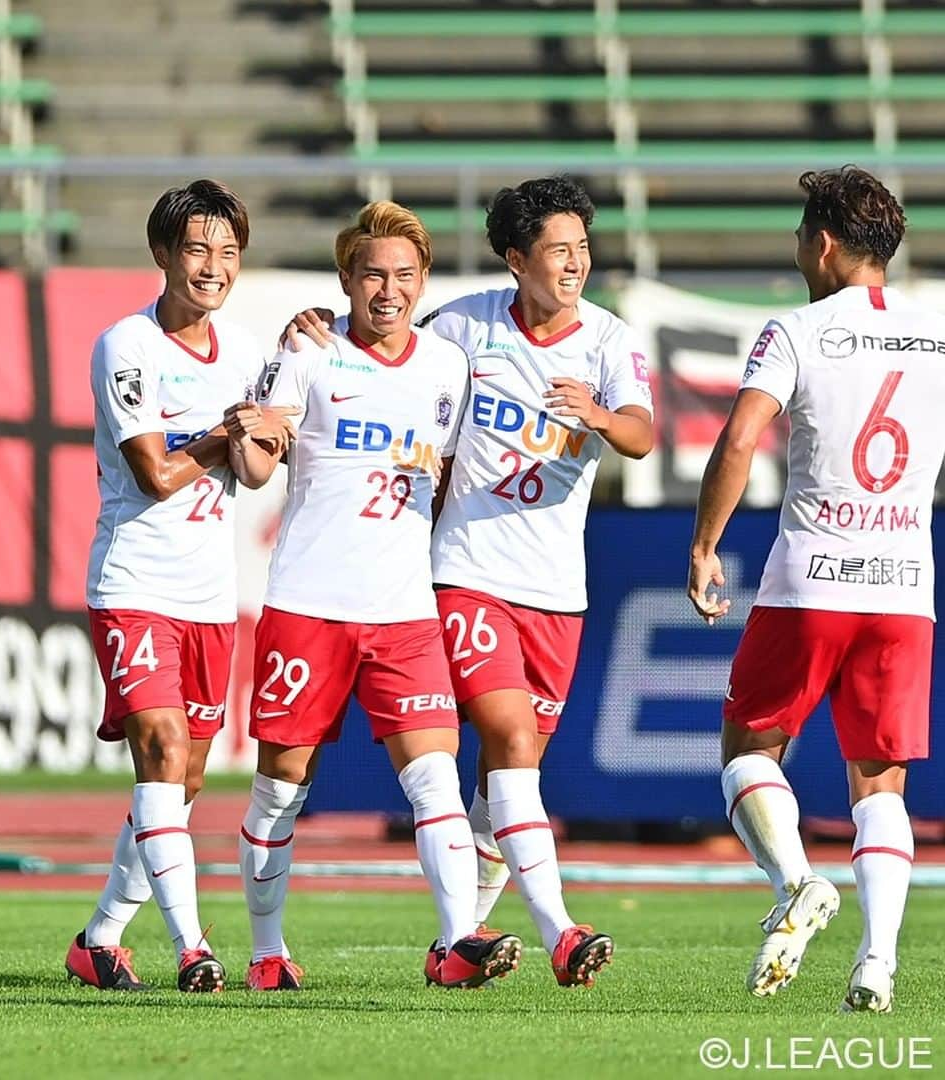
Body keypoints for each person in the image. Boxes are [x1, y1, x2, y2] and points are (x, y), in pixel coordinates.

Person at [285, 176, 654, 987]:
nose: (576, 264)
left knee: (502, 785)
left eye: (583, 248)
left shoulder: (608, 341)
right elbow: (380, 339)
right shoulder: (466, 326)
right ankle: (560, 931)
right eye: (559, 250)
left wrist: (599, 416)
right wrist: (308, 330)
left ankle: (460, 943)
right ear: (516, 258)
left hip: (558, 590)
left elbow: (640, 435)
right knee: (513, 743)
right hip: (466, 578)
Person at [231, 200, 523, 992]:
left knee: (434, 777)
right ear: (347, 281)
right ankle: (265, 949)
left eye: (403, 275)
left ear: (422, 280)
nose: (387, 291)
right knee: (280, 793)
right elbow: (260, 463)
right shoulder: (308, 351)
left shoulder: (446, 366)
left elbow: (449, 475)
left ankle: (457, 939)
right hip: (308, 604)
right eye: (371, 275)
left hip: (404, 612)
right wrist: (251, 439)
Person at [687, 166, 944, 1014]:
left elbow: (738, 438)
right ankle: (877, 965)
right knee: (880, 785)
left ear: (823, 244)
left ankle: (798, 882)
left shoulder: (795, 328)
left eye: (802, 235)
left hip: (811, 578)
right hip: (905, 584)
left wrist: (705, 545)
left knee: (748, 750)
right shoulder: (936, 330)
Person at [65, 179, 295, 993]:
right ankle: (194, 947)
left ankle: (98, 939)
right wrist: (224, 430)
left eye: (228, 252)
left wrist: (266, 432)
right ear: (163, 254)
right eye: (198, 249)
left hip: (208, 593)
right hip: (134, 582)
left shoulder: (242, 350)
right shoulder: (124, 345)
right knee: (160, 752)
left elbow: (260, 471)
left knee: (183, 780)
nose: (213, 266)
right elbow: (158, 473)